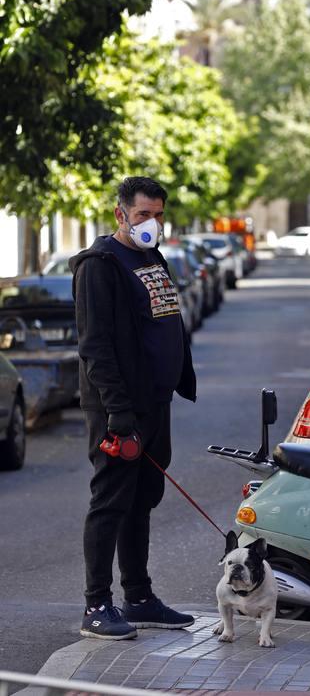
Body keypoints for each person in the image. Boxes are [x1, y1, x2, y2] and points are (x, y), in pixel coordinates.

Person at [70, 176, 197, 640]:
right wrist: (117, 411)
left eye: (159, 215)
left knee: (142, 499)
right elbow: (95, 346)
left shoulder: (151, 257)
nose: (153, 223)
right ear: (120, 214)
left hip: (154, 403)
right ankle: (96, 607)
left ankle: (139, 597)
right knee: (110, 501)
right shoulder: (99, 265)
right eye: (144, 214)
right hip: (117, 409)